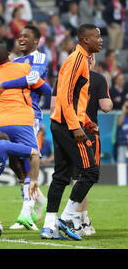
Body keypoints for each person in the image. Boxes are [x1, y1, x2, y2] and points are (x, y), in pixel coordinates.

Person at [41, 24, 103, 241]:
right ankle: (66, 218)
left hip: (64, 123)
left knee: (60, 176)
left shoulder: (81, 60)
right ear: (85, 40)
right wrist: (76, 126)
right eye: (97, 36)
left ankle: (49, 226)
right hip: (68, 126)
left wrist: (85, 121)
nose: (101, 40)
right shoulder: (77, 59)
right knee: (91, 172)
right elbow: (65, 96)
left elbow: (77, 99)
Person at [0, 25, 50, 230]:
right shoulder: (15, 62)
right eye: (19, 36)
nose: (21, 39)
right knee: (15, 163)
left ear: (36, 40)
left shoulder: (39, 58)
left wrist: (5, 85)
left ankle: (26, 214)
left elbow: (36, 80)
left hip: (29, 115)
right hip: (10, 117)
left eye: (26, 36)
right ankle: (37, 201)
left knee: (27, 161)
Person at [51, 53, 112, 236]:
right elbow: (107, 106)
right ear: (91, 60)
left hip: (63, 129)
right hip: (86, 130)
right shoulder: (98, 78)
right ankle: (76, 219)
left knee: (67, 175)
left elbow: (55, 105)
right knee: (87, 174)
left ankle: (80, 219)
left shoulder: (63, 77)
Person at [116, 98, 128, 163]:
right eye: (126, 107)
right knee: (121, 162)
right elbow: (119, 123)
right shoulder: (121, 116)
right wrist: (123, 112)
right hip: (122, 143)